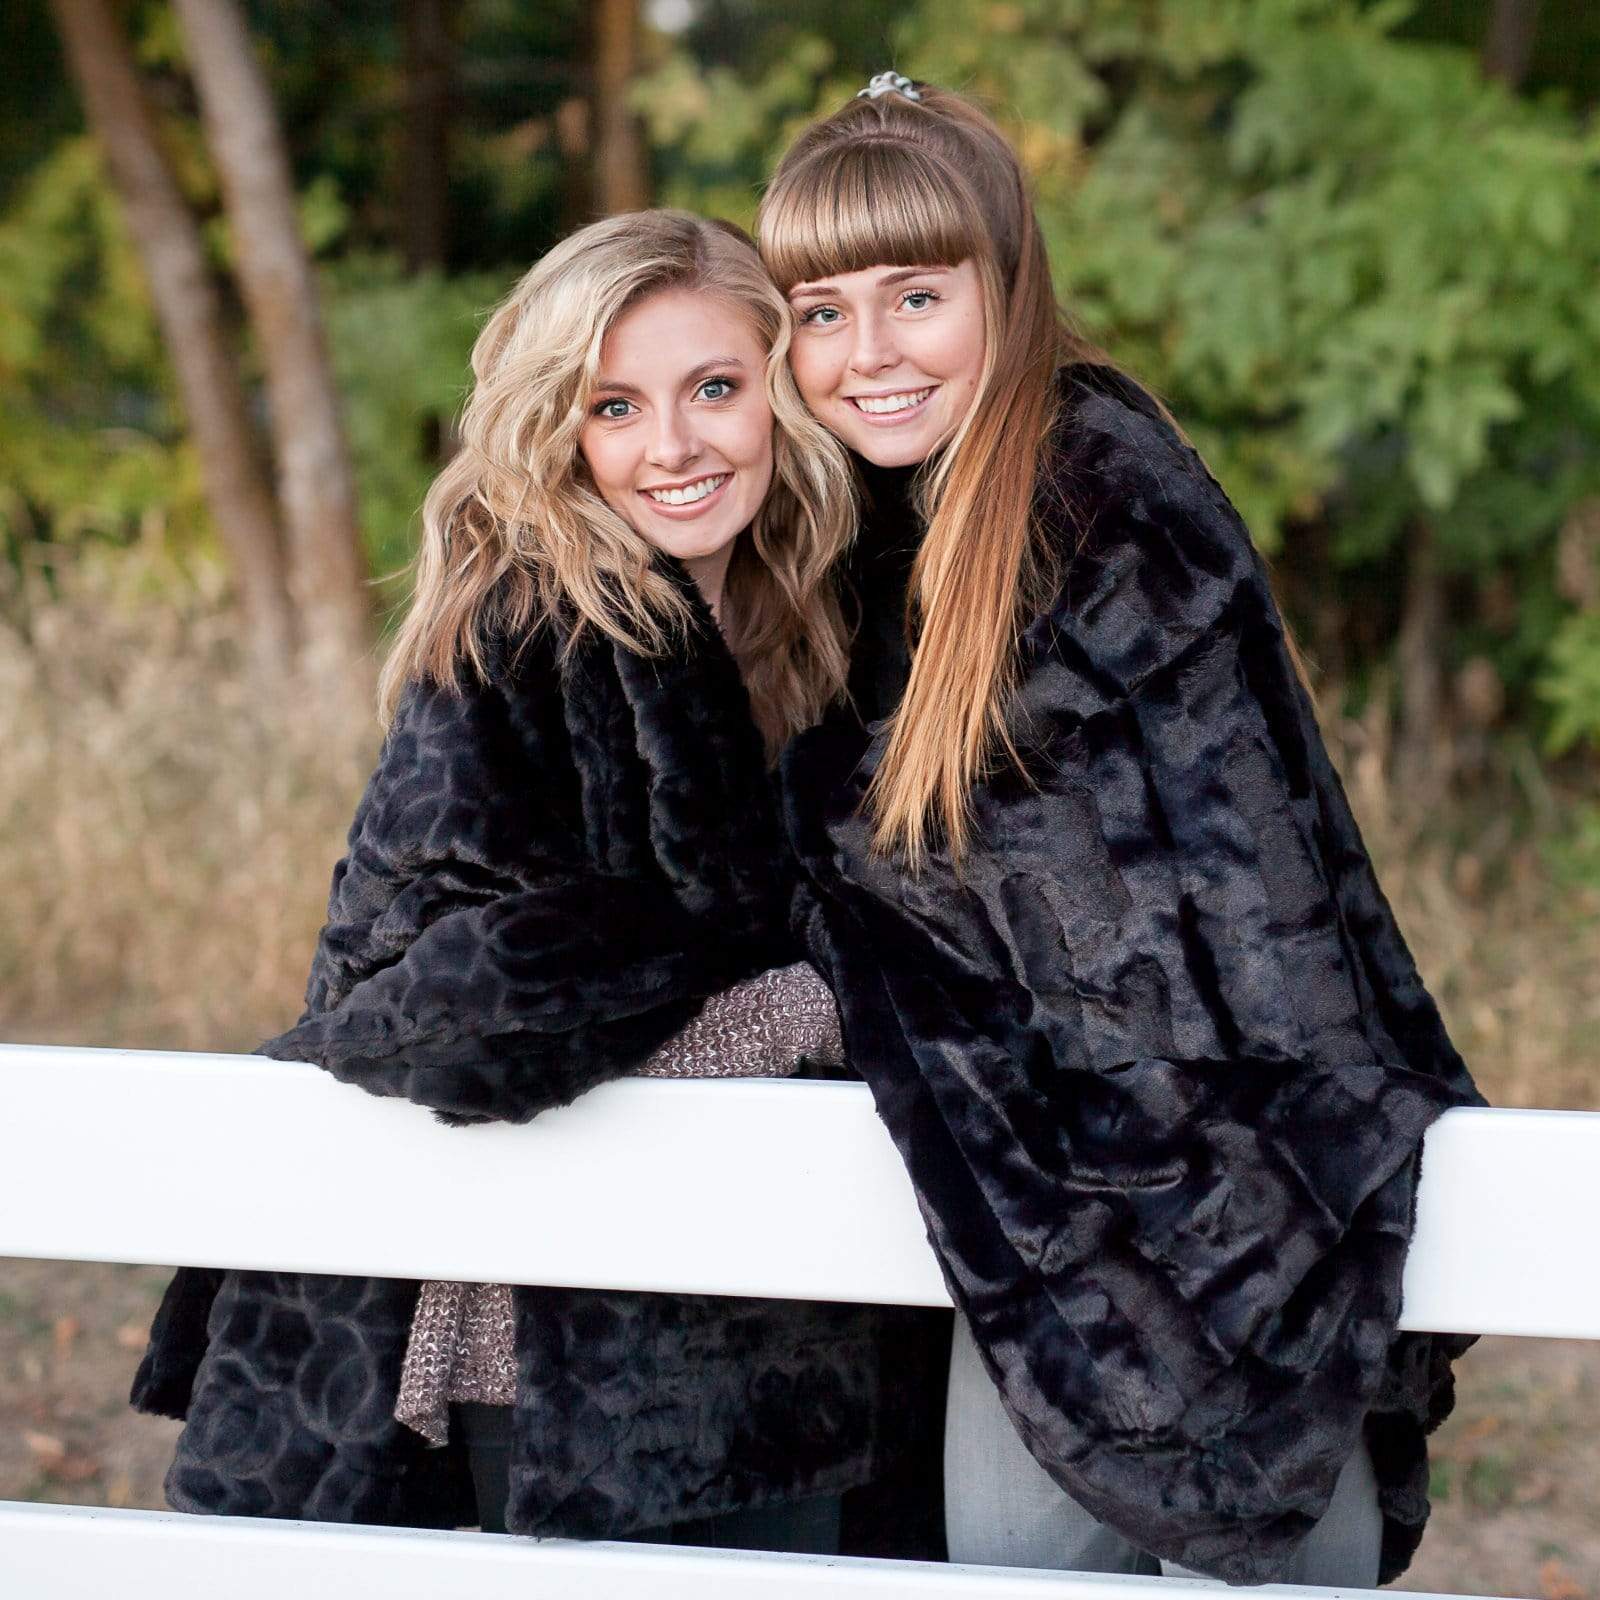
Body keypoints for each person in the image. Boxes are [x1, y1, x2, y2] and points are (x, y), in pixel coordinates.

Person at [757, 74, 1485, 1587]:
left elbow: (1181, 919)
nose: (868, 353)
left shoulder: (1099, 498)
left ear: (1007, 290)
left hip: (1232, 1211)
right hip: (1048, 1217)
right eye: (820, 311)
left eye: (915, 295)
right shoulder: (885, 532)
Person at [129, 209, 921, 1551]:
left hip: (765, 1315)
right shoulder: (527, 629)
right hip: (538, 1336)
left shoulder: (809, 629)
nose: (674, 445)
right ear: (563, 429)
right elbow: (441, 1008)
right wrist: (794, 992)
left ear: (780, 398)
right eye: (617, 406)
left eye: (716, 389)